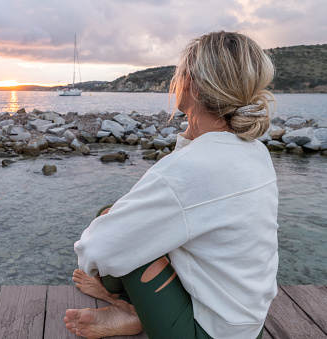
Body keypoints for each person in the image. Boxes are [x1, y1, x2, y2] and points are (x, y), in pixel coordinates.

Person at [64, 31, 279, 339]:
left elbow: (93, 251)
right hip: (248, 325)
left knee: (114, 226)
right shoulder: (255, 150)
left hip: (207, 333)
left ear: (188, 80)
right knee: (126, 221)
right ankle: (131, 308)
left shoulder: (192, 169)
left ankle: (126, 306)